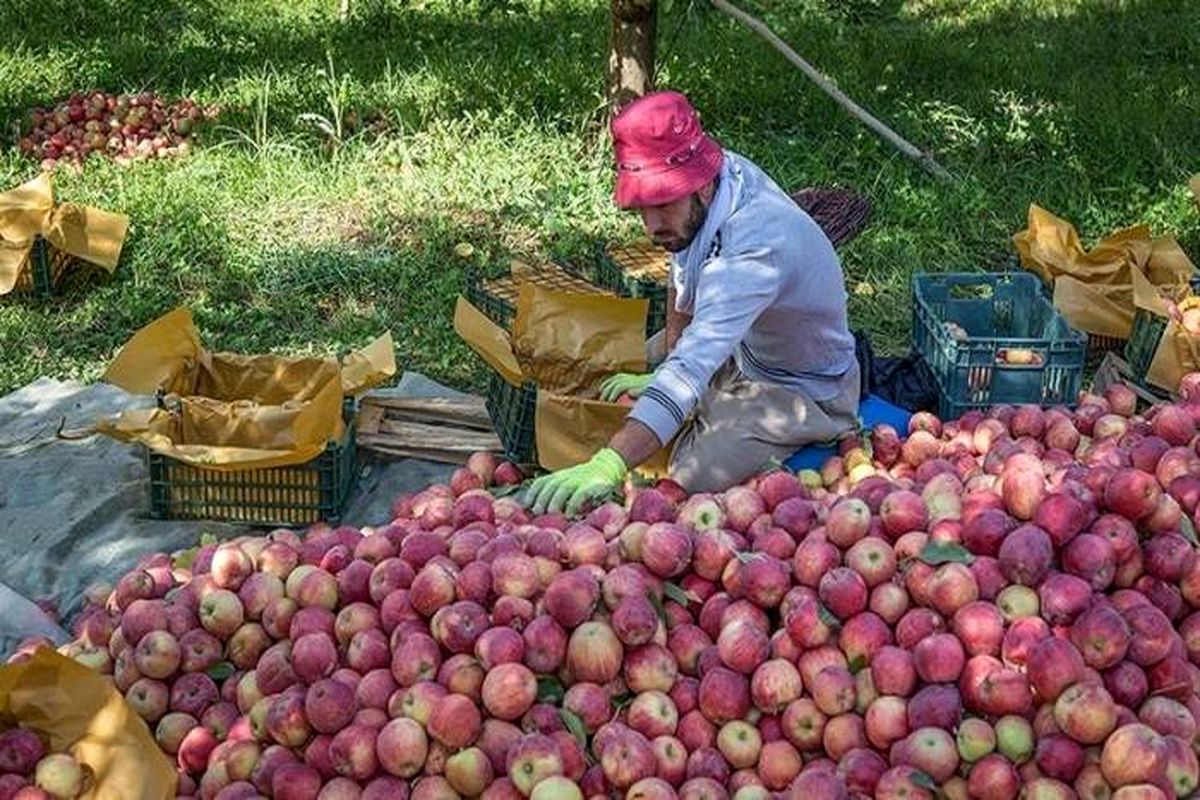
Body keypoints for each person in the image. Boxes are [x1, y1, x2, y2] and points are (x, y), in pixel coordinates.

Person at [524, 90, 860, 515]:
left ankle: (803, 429)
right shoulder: (715, 181)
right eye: (642, 209)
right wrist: (665, 362)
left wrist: (610, 463)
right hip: (742, 349)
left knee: (688, 480)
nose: (652, 227)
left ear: (701, 188)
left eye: (662, 205)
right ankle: (692, 406)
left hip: (800, 388)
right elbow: (681, 268)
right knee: (619, 367)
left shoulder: (753, 249)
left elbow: (692, 366)